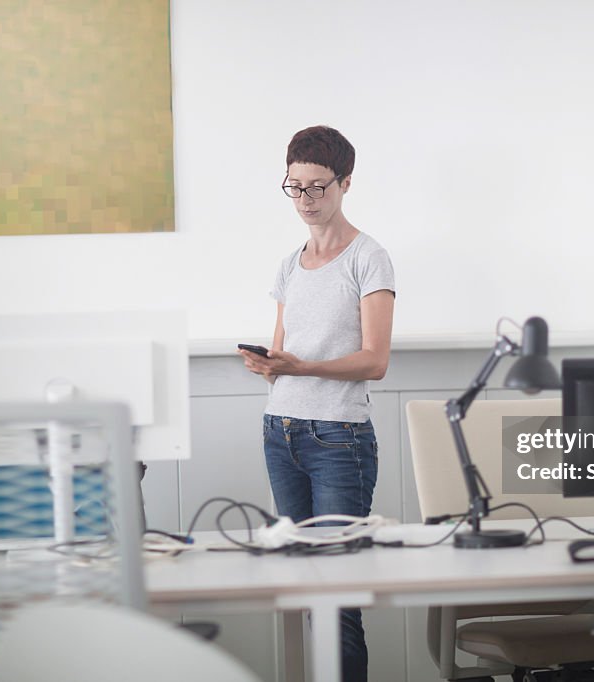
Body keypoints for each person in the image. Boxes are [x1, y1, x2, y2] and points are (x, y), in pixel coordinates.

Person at [239, 125, 394, 682]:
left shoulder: (369, 259)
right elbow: (284, 351)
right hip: (280, 430)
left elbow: (375, 360)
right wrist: (269, 364)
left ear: (346, 183)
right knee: (305, 588)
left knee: (338, 599)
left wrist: (300, 367)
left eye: (317, 187)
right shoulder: (289, 263)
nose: (305, 200)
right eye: (295, 187)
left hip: (338, 439)